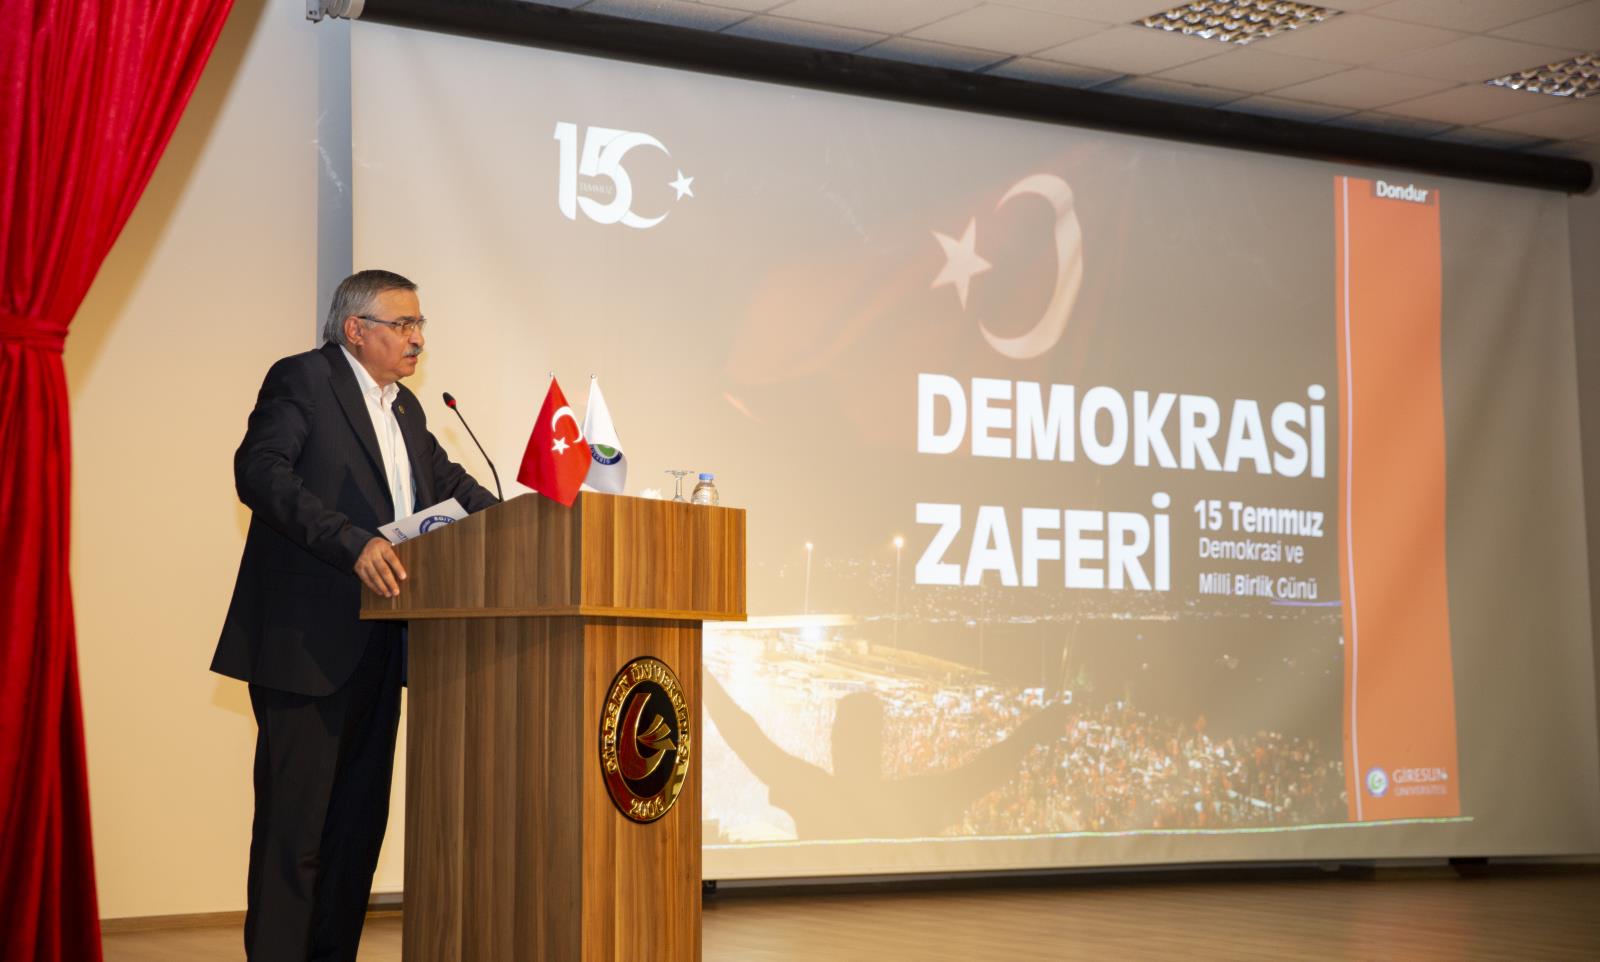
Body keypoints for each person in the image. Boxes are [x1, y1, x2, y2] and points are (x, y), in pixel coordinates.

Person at [211, 270, 498, 961]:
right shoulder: (304, 380)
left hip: (383, 644)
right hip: (306, 645)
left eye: (420, 325)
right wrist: (352, 543)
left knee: (356, 829)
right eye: (404, 325)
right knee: (296, 830)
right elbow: (261, 472)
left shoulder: (407, 411)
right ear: (355, 329)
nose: (417, 339)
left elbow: (453, 490)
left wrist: (538, 523)